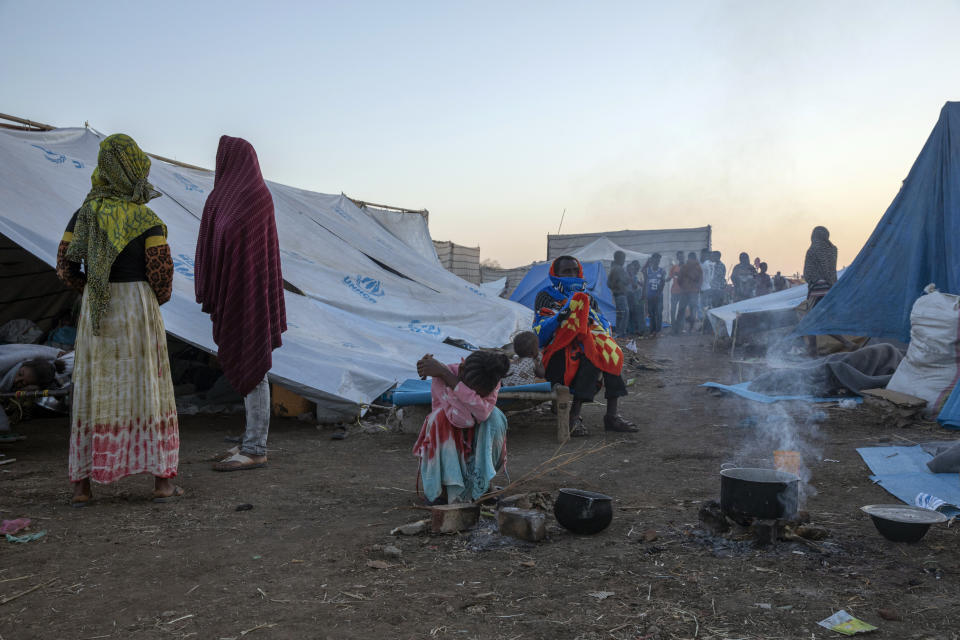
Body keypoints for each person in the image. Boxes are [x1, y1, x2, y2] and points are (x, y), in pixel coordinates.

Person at [55, 133, 180, 506]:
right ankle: (162, 484)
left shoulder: (84, 215)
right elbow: (161, 274)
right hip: (137, 308)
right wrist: (149, 299)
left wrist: (93, 288)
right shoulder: (147, 219)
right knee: (149, 389)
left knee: (97, 388)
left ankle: (82, 488)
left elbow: (64, 267)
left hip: (98, 307)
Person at [196, 136, 287, 471]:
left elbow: (255, 250)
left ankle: (255, 447)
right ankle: (249, 440)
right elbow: (211, 241)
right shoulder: (219, 197)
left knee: (255, 363)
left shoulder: (256, 197)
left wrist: (240, 282)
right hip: (232, 288)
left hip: (251, 289)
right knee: (242, 358)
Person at [533, 256, 636, 437]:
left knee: (610, 353)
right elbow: (540, 334)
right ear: (555, 274)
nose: (572, 274)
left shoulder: (588, 298)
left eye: (575, 270)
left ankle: (611, 415)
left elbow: (604, 326)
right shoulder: (546, 296)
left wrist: (589, 321)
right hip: (557, 352)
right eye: (566, 271)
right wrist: (563, 316)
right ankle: (574, 416)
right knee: (589, 356)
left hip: (586, 344)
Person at [412, 350, 511, 504]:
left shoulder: (491, 378)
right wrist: (446, 376)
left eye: (479, 394)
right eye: (473, 391)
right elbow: (461, 420)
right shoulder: (441, 378)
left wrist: (452, 381)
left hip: (474, 438)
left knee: (495, 417)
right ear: (462, 369)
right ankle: (443, 489)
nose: (475, 395)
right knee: (439, 419)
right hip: (450, 441)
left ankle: (483, 484)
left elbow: (483, 413)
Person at [803, 226, 838, 306]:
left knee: (816, 315)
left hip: (816, 289)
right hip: (831, 288)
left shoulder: (812, 250)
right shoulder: (833, 249)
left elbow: (808, 273)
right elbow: (832, 271)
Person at [672, 252, 702, 334]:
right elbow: (700, 280)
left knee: (681, 310)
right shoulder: (698, 267)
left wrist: (683, 287)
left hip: (685, 292)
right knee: (692, 311)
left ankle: (677, 330)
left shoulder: (685, 266)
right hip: (693, 292)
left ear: (689, 258)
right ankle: (690, 329)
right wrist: (697, 289)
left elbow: (679, 279)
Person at [606, 250, 631, 337]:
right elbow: (626, 280)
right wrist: (619, 286)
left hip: (617, 294)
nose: (624, 261)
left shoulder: (613, 268)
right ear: (619, 259)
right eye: (623, 259)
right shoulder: (619, 269)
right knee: (624, 313)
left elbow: (608, 283)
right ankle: (621, 333)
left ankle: (618, 332)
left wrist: (614, 287)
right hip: (621, 294)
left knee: (620, 314)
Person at [642, 253, 666, 336]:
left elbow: (663, 283)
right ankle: (652, 330)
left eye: (658, 259)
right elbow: (645, 282)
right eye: (655, 259)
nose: (657, 261)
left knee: (658, 313)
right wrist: (644, 294)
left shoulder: (662, 271)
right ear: (652, 260)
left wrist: (658, 294)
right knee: (651, 313)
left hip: (658, 296)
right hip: (650, 295)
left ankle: (658, 330)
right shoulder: (647, 270)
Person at [626, 260, 644, 335]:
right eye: (632, 267)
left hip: (638, 294)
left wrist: (636, 282)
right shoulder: (627, 275)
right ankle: (631, 330)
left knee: (639, 312)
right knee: (631, 312)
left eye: (636, 266)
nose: (634, 268)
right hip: (629, 294)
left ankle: (639, 330)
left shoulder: (640, 274)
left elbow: (642, 285)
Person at [668, 251, 684, 326]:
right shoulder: (674, 267)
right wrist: (663, 279)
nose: (681, 258)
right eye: (679, 256)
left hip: (683, 292)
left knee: (681, 310)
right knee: (673, 309)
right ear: (677, 257)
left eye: (682, 256)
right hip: (674, 291)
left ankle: (681, 325)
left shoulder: (687, 267)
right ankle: (673, 325)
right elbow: (669, 277)